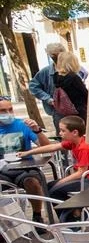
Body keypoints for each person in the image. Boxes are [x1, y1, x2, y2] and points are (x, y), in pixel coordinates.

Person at [17, 116, 89, 222]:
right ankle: (74, 214)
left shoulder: (84, 147)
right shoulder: (74, 142)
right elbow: (52, 147)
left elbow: (80, 173)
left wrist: (61, 181)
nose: (60, 133)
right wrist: (28, 152)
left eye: (63, 131)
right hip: (85, 178)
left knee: (54, 190)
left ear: (74, 132)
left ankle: (74, 219)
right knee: (48, 187)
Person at [0, 96, 53, 224]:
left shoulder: (22, 125)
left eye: (10, 109)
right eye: (3, 111)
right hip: (2, 170)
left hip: (25, 168)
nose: (8, 113)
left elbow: (47, 148)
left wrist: (38, 131)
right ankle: (5, 223)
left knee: (32, 182)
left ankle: (37, 215)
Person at [28, 43, 88, 134]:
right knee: (69, 135)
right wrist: (48, 99)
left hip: (69, 109)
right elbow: (33, 86)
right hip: (65, 110)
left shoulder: (60, 74)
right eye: (56, 55)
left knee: (68, 136)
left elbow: (85, 74)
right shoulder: (47, 72)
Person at [53, 52, 89, 122]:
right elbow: (85, 93)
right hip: (79, 110)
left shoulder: (56, 76)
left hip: (66, 110)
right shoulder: (74, 77)